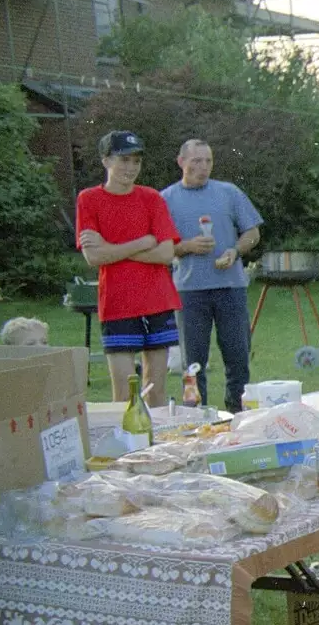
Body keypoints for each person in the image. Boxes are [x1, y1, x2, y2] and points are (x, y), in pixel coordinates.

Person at [76, 130, 180, 406]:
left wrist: (112, 248)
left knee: (155, 391)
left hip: (157, 301)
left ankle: (158, 448)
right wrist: (143, 242)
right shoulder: (89, 199)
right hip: (118, 305)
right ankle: (126, 448)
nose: (131, 168)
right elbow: (93, 257)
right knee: (124, 395)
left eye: (136, 161)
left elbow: (166, 253)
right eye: (124, 160)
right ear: (106, 161)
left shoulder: (152, 198)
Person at [161, 139, 263, 414]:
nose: (203, 167)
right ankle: (195, 417)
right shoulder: (166, 199)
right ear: (181, 162)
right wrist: (185, 247)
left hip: (231, 287)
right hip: (189, 291)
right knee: (192, 364)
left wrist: (234, 251)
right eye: (196, 161)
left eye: (208, 161)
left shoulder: (228, 192)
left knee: (238, 357)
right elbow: (157, 248)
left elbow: (252, 233)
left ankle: (239, 414)